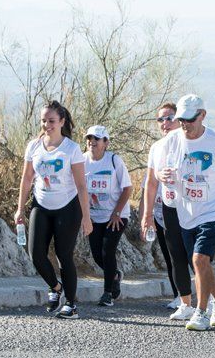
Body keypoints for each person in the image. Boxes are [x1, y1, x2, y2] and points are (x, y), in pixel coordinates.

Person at [148, 94, 215, 331]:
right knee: (202, 264)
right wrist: (161, 176)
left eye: (190, 119)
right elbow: (159, 172)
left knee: (199, 259)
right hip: (187, 212)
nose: (185, 124)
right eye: (181, 119)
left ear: (202, 115)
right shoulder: (171, 141)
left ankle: (201, 312)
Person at [14, 101, 92, 319]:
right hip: (41, 204)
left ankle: (71, 304)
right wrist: (20, 208)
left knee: (63, 255)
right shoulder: (34, 146)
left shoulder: (71, 149)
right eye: (44, 121)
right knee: (35, 254)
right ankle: (56, 288)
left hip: (67, 207)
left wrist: (87, 217)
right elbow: (27, 178)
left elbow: (81, 186)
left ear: (62, 122)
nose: (47, 125)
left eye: (51, 121)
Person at [141, 102, 195, 317]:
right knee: (174, 257)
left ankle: (208, 299)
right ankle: (182, 299)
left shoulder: (189, 142)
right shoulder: (156, 148)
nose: (165, 123)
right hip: (166, 210)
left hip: (192, 210)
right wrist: (147, 215)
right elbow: (150, 184)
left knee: (196, 257)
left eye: (169, 118)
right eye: (160, 119)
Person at [83, 125, 133, 307]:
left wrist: (117, 212)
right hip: (94, 216)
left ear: (106, 142)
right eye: (89, 138)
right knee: (97, 256)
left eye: (97, 138)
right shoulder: (82, 161)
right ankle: (114, 275)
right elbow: (78, 190)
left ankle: (107, 293)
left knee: (107, 250)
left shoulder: (114, 160)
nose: (92, 142)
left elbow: (127, 189)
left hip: (117, 215)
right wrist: (84, 216)